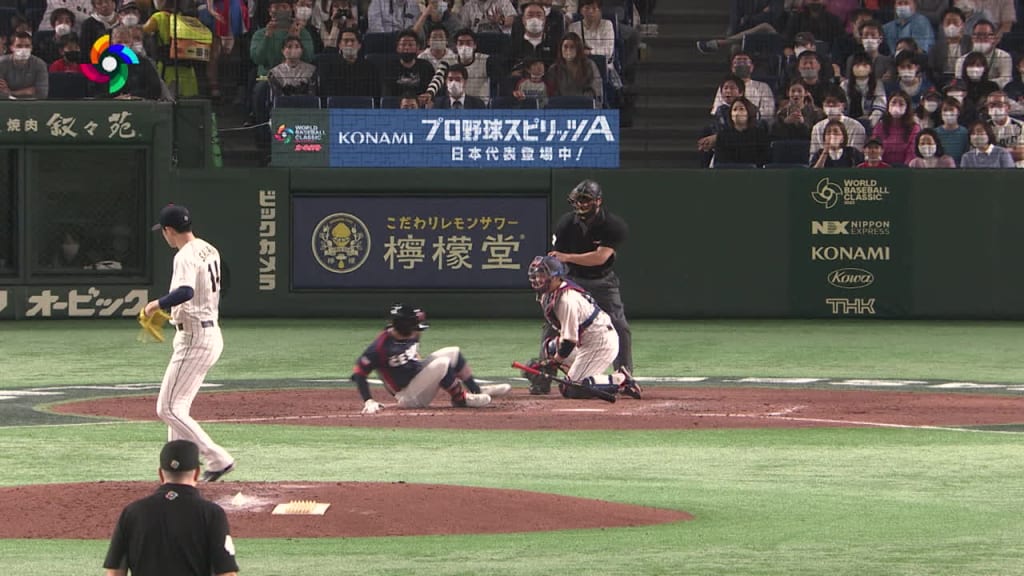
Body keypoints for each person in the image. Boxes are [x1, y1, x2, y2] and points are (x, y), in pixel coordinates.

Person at [144, 204, 235, 484]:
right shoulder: (209, 248)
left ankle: (218, 459)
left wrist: (155, 304)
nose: (164, 236)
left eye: (164, 232)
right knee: (177, 407)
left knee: (168, 409)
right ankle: (179, 471)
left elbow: (185, 291)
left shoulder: (184, 255)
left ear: (169, 231)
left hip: (195, 337)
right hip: (207, 332)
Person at [102, 440, 240, 576]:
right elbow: (226, 573)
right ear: (197, 473)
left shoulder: (132, 512)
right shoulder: (212, 514)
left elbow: (115, 572)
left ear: (161, 474)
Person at [352, 303, 509, 414]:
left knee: (453, 352)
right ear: (404, 327)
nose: (417, 330)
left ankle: (475, 390)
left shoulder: (412, 334)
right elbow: (359, 373)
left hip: (418, 380)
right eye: (414, 326)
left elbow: (415, 354)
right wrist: (369, 400)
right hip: (408, 396)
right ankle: (461, 399)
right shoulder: (380, 347)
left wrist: (425, 371)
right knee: (442, 364)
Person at [547, 179, 633, 375]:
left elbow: (600, 258)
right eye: (578, 200)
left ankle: (625, 374)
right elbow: (555, 258)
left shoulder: (613, 225)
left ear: (598, 201)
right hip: (572, 280)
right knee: (553, 324)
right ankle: (545, 374)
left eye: (586, 200)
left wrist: (567, 257)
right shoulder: (566, 223)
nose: (581, 204)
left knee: (619, 325)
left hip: (602, 281)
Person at [527, 255, 641, 399]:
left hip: (600, 342)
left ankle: (620, 379)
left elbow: (569, 341)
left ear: (556, 276)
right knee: (550, 348)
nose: (538, 280)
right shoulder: (548, 294)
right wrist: (552, 360)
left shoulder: (566, 300)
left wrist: (555, 361)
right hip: (587, 341)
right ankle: (585, 375)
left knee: (573, 389)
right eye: (536, 276)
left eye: (542, 275)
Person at [709, 52, 775, 124]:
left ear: (752, 67)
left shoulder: (763, 87)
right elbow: (717, 111)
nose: (741, 64)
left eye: (745, 61)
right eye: (737, 61)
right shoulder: (725, 87)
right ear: (732, 68)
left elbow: (768, 112)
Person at [318, 27, 382, 98]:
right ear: (339, 45)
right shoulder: (329, 68)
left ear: (359, 45)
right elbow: (326, 93)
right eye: (345, 41)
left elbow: (375, 93)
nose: (349, 44)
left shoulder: (371, 68)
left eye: (352, 40)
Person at [809, 89, 866, 162]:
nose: (831, 105)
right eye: (828, 102)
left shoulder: (856, 127)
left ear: (843, 105)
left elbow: (857, 157)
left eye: (834, 102)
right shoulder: (817, 128)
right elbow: (813, 157)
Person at [548, 31, 601, 105]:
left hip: (586, 108)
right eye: (565, 47)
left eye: (572, 47)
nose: (568, 50)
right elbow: (553, 96)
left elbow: (595, 92)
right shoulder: (554, 69)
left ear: (578, 49)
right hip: (562, 109)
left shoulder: (590, 65)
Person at [714, 96, 770, 167]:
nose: (737, 113)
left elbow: (764, 158)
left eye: (741, 109)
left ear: (749, 112)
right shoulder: (723, 135)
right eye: (734, 110)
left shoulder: (759, 134)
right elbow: (721, 159)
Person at [955, 19, 1012, 88]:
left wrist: (983, 85)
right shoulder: (961, 60)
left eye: (986, 36)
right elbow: (959, 83)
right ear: (972, 38)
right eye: (978, 35)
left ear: (993, 38)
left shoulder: (1004, 56)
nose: (981, 38)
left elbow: (1006, 80)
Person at [872, 90, 920, 165]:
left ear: (907, 108)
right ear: (888, 105)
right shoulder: (880, 126)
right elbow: (874, 149)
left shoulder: (914, 128)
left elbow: (911, 153)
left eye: (901, 104)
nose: (896, 106)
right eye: (893, 103)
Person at [0, 32, 49, 99]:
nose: (23, 49)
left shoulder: (40, 64)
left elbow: (42, 93)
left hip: (32, 105)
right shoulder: (1, 63)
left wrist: (11, 93)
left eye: (27, 46)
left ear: (31, 48)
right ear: (12, 48)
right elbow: (1, 94)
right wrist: (28, 91)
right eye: (19, 46)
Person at [452, 28, 490, 102]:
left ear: (475, 46)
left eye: (468, 43)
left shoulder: (486, 60)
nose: (464, 47)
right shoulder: (450, 61)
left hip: (479, 106)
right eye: (461, 43)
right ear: (456, 47)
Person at [936, 95, 970, 164]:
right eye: (945, 110)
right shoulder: (935, 133)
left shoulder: (965, 132)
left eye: (951, 109)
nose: (948, 113)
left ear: (958, 112)